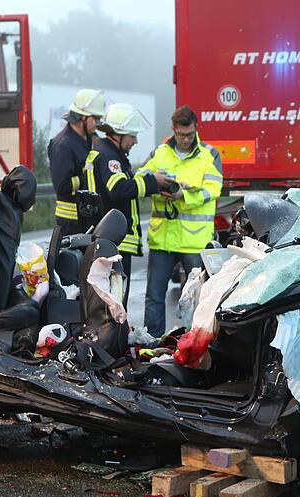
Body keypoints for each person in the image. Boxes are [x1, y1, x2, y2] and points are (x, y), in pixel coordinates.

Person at [139, 105, 223, 337]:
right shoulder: (160, 153)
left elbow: (213, 190)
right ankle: (152, 343)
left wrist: (183, 195)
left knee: (199, 298)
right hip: (163, 239)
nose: (185, 140)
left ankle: (195, 341)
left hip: (194, 242)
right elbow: (140, 179)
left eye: (189, 134)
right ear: (173, 130)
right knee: (154, 296)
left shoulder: (209, 155)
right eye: (181, 135)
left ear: (196, 129)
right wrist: (159, 184)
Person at [82, 103, 171, 304]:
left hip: (107, 238)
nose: (136, 141)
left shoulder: (105, 152)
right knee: (116, 301)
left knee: (110, 300)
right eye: (132, 136)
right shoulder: (110, 157)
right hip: (114, 241)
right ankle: (116, 336)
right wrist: (152, 181)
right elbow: (119, 190)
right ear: (119, 134)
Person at [47, 89, 106, 237]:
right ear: (83, 118)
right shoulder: (62, 145)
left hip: (88, 217)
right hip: (70, 223)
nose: (98, 124)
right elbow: (62, 186)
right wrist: (87, 175)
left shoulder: (91, 139)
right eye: (96, 119)